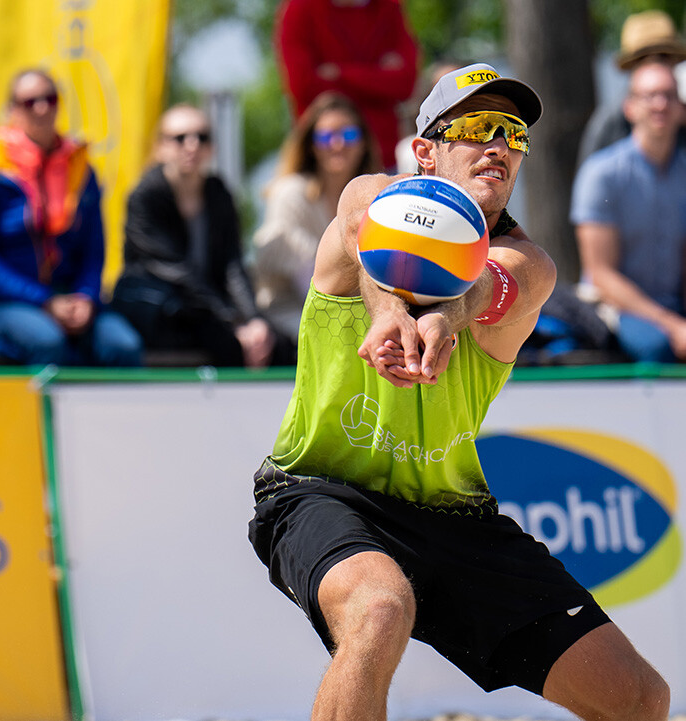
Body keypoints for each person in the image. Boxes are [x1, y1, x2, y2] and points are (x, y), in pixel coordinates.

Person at [247, 63, 669, 720]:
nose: (498, 144)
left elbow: (489, 287)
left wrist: (447, 316)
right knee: (379, 609)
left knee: (640, 697)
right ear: (424, 150)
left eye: (511, 132)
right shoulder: (370, 201)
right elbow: (364, 226)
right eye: (475, 127)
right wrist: (388, 307)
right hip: (319, 488)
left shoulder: (527, 261)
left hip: (452, 514)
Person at [0, 69, 142, 367]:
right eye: (30, 101)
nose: (42, 108)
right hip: (8, 301)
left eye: (50, 99)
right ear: (13, 109)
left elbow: (95, 249)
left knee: (123, 344)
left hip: (71, 296)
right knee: (47, 342)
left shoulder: (81, 169)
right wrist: (44, 300)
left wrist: (85, 297)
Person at [111, 104, 276, 368]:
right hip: (159, 308)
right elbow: (177, 272)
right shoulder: (146, 197)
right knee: (226, 344)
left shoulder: (218, 192)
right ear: (160, 147)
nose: (192, 145)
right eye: (180, 138)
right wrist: (233, 321)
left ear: (212, 147)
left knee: (274, 343)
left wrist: (253, 318)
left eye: (202, 137)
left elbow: (232, 264)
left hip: (204, 309)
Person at [572, 60, 686, 363]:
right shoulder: (602, 173)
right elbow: (601, 274)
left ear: (681, 108)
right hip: (617, 308)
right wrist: (673, 325)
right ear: (630, 107)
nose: (660, 104)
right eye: (650, 96)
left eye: (669, 95)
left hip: (675, 307)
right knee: (655, 347)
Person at [252, 91, 382, 347]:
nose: (337, 144)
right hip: (290, 318)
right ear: (311, 144)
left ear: (364, 142)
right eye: (325, 136)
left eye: (348, 134)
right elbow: (308, 279)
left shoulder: (379, 198)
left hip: (356, 317)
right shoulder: (290, 194)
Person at [274, 0, 418, 171]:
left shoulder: (388, 7)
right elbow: (302, 85)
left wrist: (338, 73)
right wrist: (376, 75)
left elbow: (405, 83)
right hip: (322, 166)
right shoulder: (301, 9)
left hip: (382, 163)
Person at [578, 10, 686, 163]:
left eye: (664, 56)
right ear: (631, 68)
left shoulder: (680, 115)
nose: (654, 65)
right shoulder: (609, 126)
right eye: (643, 59)